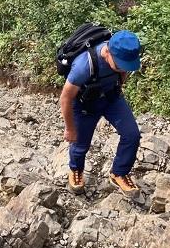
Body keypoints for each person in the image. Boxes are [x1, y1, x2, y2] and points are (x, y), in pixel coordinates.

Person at [60, 30, 142, 196]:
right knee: (80, 144)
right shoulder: (84, 65)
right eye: (120, 64)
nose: (123, 68)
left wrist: (118, 82)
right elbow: (65, 98)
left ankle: (119, 173)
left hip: (111, 97)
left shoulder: (119, 58)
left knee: (132, 135)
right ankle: (76, 170)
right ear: (107, 52)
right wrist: (69, 128)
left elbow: (122, 73)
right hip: (86, 104)